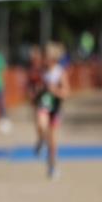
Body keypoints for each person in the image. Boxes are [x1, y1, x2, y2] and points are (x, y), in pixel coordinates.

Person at [35, 42, 70, 180]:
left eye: (46, 57)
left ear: (53, 58)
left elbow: (66, 93)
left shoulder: (60, 72)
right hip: (44, 105)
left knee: (53, 141)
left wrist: (54, 90)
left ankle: (52, 167)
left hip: (56, 108)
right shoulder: (41, 72)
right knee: (41, 124)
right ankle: (41, 141)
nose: (44, 59)